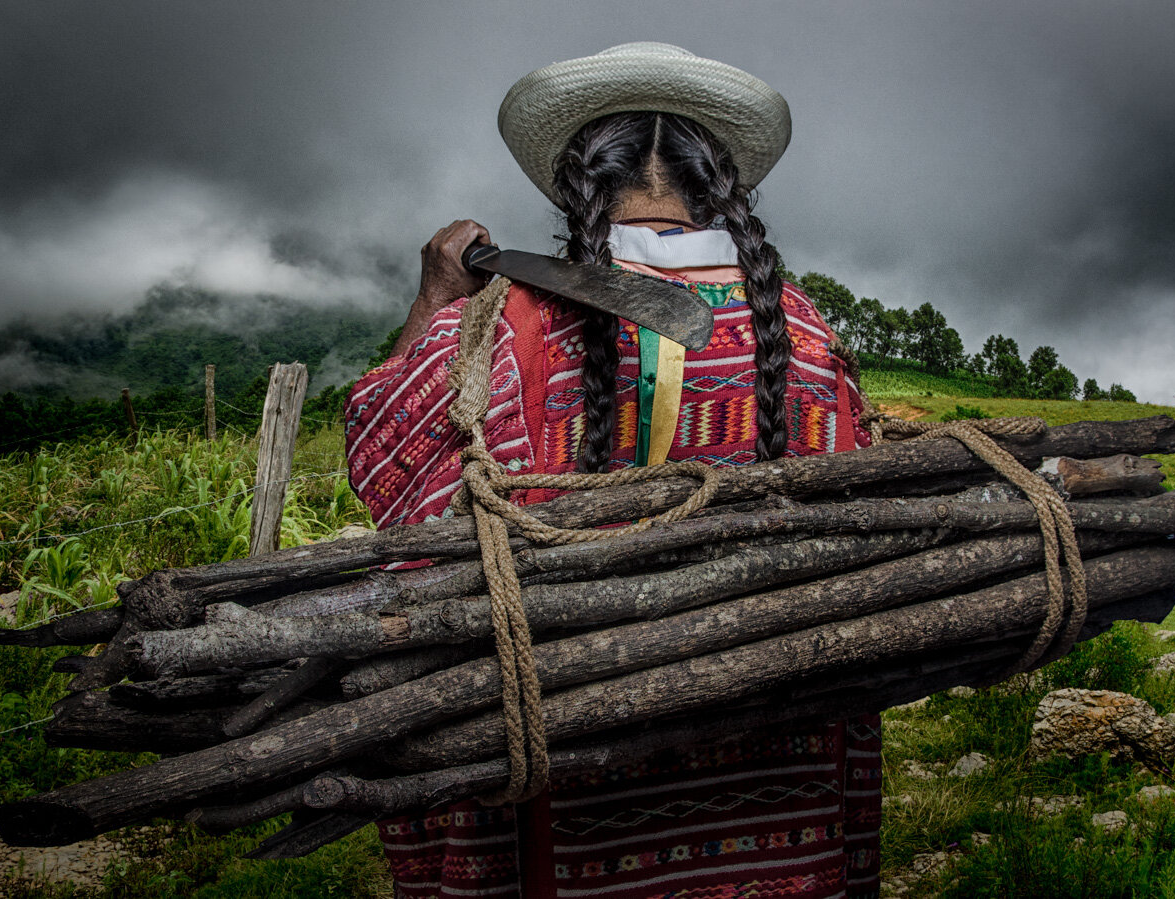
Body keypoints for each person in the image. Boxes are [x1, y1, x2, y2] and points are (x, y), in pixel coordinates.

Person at [346, 42, 881, 899]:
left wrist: (432, 300)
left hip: (570, 809)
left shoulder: (507, 327)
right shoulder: (806, 340)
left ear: (578, 183)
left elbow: (379, 453)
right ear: (722, 186)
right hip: (777, 812)